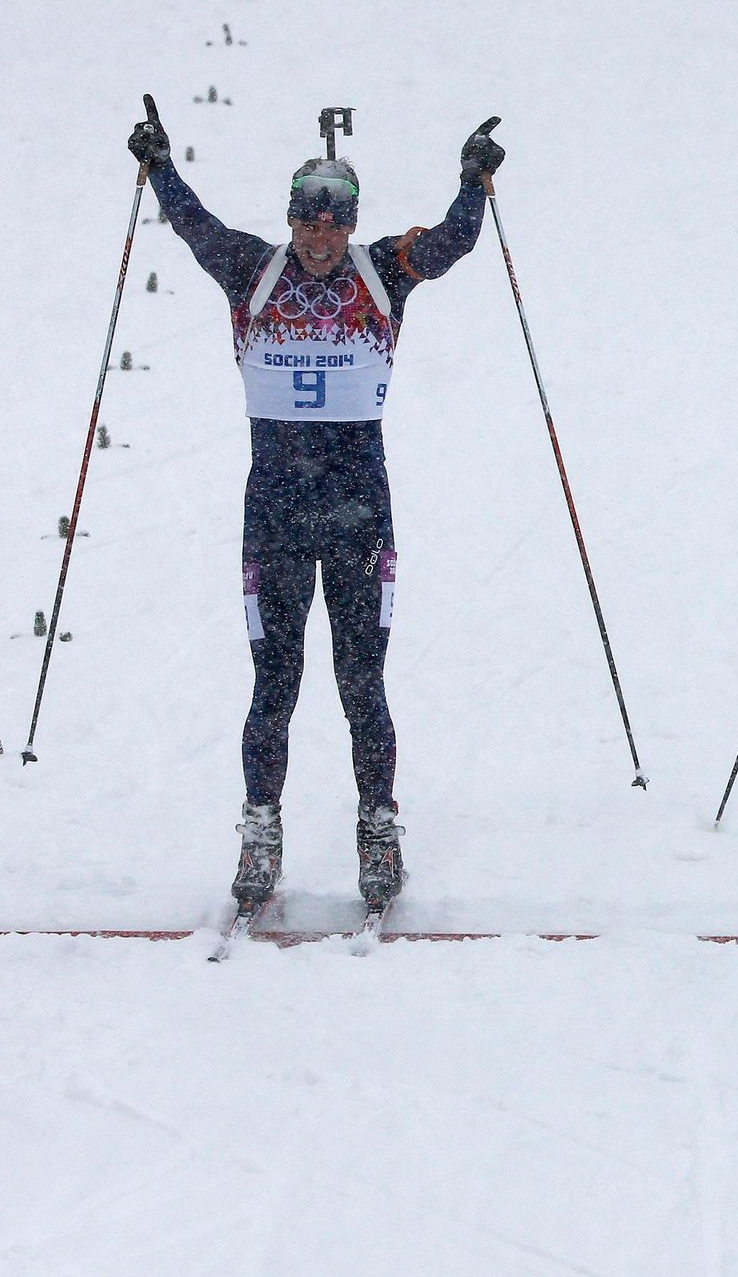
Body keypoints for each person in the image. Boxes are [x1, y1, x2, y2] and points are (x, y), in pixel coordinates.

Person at [127, 101, 504, 913]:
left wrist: (472, 179)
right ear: (291, 218)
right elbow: (193, 227)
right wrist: (158, 166)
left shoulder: (383, 271)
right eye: (304, 219)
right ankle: (260, 833)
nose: (317, 237)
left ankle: (377, 829)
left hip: (360, 511)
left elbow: (454, 242)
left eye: (330, 222)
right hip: (276, 512)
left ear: (351, 223)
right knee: (276, 681)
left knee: (360, 679)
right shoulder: (253, 270)